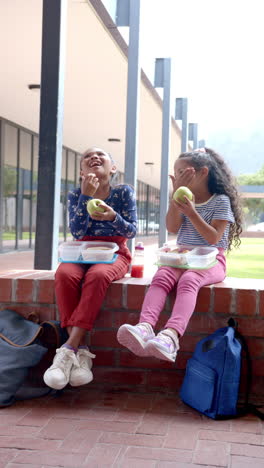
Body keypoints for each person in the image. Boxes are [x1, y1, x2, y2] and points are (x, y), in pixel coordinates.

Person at [117, 147, 243, 362]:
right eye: (177, 173)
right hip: (182, 256)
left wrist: (192, 212)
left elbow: (213, 238)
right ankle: (145, 327)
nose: (178, 177)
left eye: (184, 172)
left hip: (210, 260)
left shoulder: (220, 200)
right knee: (162, 276)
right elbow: (172, 227)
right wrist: (176, 202)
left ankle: (171, 336)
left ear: (203, 172)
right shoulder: (183, 197)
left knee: (189, 280)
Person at [44, 147, 137, 389]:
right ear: (82, 171)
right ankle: (81, 351)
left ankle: (67, 349)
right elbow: (77, 232)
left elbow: (131, 231)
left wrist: (113, 217)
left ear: (113, 168)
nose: (94, 157)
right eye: (87, 157)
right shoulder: (76, 194)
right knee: (64, 274)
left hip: (114, 253)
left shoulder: (123, 192)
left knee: (97, 276)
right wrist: (86, 196)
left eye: (101, 155)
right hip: (81, 251)